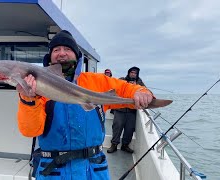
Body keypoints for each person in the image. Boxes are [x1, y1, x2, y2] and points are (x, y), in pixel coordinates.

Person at [16, 30, 153, 179]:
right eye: (56, 50)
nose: (61, 53)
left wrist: (140, 91)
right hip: (54, 170)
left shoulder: (96, 81)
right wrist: (28, 99)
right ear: (50, 56)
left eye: (67, 49)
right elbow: (30, 131)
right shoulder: (36, 88)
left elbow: (125, 88)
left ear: (76, 54)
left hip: (93, 169)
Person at [107, 66, 146, 154]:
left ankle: (125, 145)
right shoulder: (122, 80)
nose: (133, 74)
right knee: (117, 127)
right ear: (128, 73)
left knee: (129, 129)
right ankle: (114, 145)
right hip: (120, 108)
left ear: (137, 75)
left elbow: (145, 91)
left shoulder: (140, 83)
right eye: (131, 72)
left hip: (132, 110)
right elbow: (113, 88)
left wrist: (137, 86)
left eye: (135, 73)